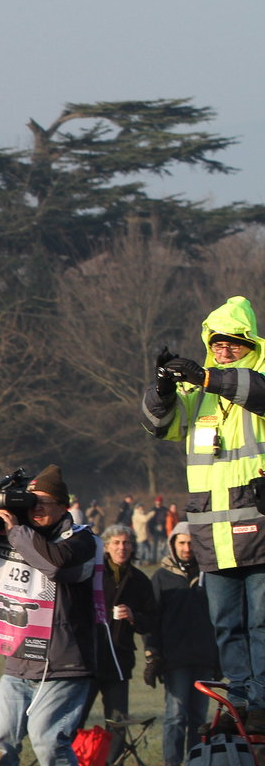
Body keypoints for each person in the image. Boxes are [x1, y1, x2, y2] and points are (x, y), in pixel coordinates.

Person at [145, 295, 265, 736]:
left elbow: (259, 393)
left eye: (234, 342)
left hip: (259, 527)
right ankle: (239, 697)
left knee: (261, 622)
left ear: (251, 344)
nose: (224, 348)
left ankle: (261, 698)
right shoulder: (200, 395)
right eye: (217, 342)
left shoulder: (256, 377)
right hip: (213, 532)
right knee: (226, 624)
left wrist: (207, 376)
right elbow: (159, 427)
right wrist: (162, 390)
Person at [0, 464, 102, 766]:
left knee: (48, 740)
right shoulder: (12, 536)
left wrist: (17, 530)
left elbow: (54, 565)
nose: (37, 509)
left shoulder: (81, 540)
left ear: (64, 507)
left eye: (45, 503)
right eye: (31, 502)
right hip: (18, 662)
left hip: (64, 664)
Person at [140, 521, 222, 766]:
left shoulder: (211, 575)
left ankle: (196, 764)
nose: (187, 548)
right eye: (182, 543)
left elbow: (220, 618)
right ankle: (171, 765)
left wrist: (220, 658)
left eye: (191, 543)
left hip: (205, 657)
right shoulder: (162, 576)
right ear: (173, 545)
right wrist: (153, 653)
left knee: (199, 717)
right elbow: (152, 618)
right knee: (175, 715)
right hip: (175, 658)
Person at [80, 525, 151, 766]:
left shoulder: (139, 579)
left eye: (127, 543)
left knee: (117, 718)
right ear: (107, 547)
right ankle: (70, 761)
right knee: (76, 715)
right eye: (117, 543)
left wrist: (134, 616)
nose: (122, 547)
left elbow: (151, 619)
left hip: (119, 658)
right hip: (88, 657)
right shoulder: (93, 574)